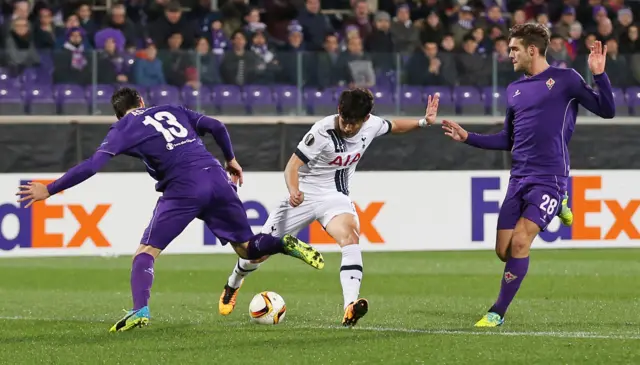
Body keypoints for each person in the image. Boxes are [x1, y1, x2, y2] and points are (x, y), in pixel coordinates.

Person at [16, 87, 325, 332]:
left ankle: (140, 309)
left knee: (145, 253)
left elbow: (93, 165)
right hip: (216, 175)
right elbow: (216, 125)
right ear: (141, 100)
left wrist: (50, 189)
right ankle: (282, 242)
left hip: (183, 188)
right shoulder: (170, 109)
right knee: (248, 250)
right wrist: (230, 158)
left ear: (119, 112)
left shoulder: (123, 127)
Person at [218, 88, 440, 326]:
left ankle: (350, 307)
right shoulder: (322, 132)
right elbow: (292, 166)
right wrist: (294, 190)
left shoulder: (371, 125)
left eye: (353, 123)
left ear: (365, 119)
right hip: (303, 195)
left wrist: (423, 122)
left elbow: (394, 126)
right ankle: (233, 284)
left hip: (335, 197)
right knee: (257, 253)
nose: (347, 127)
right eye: (344, 120)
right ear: (338, 112)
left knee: (351, 238)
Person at [441, 24, 615, 327]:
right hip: (518, 178)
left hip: (550, 177)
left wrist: (599, 74)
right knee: (504, 251)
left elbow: (608, 110)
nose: (509, 55)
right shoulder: (514, 90)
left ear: (531, 50)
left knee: (520, 243)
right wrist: (468, 136)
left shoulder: (566, 80)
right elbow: (508, 139)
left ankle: (497, 312)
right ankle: (560, 206)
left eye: (513, 49)